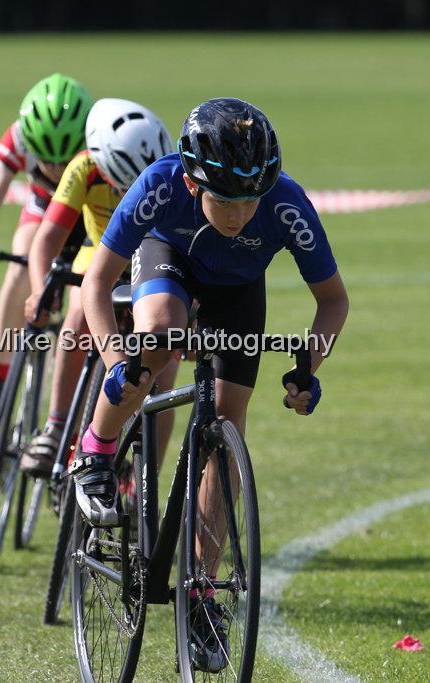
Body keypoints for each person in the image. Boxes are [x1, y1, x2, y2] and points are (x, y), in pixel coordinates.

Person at [73, 97, 349, 671]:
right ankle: (95, 450)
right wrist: (115, 356)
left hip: (238, 291)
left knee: (227, 425)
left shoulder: (286, 204)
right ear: (193, 183)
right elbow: (95, 284)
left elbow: (333, 301)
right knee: (159, 336)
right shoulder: (160, 186)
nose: (239, 213)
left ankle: (202, 591)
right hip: (168, 257)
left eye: (251, 200)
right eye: (225, 199)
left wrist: (306, 370)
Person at [17, 98, 177, 477]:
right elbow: (46, 241)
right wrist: (42, 292)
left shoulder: (170, 173)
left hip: (150, 259)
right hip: (100, 253)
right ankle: (57, 427)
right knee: (76, 319)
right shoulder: (84, 168)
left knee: (164, 376)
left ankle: (142, 485)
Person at [0, 73, 92, 423]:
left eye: (68, 161)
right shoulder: (19, 138)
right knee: (22, 262)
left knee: (86, 294)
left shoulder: (96, 141)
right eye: (50, 162)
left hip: (89, 215)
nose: (60, 170)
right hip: (45, 209)